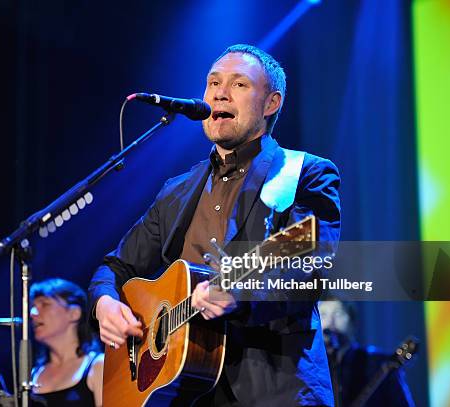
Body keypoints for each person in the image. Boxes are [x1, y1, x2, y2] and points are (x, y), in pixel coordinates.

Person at [89, 44, 341, 406]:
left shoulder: (303, 172)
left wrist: (239, 294)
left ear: (271, 103)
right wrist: (105, 304)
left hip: (276, 389)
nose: (219, 92)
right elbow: (114, 267)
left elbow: (310, 266)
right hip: (184, 393)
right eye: (213, 83)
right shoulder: (176, 190)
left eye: (238, 85)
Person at [318, 297, 416, 407]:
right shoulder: (311, 367)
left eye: (338, 314)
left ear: (352, 322)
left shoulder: (378, 363)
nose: (331, 322)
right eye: (323, 315)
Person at [29, 278, 104, 407]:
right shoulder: (33, 375)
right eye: (33, 307)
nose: (33, 313)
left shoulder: (98, 366)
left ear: (74, 313)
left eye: (44, 304)